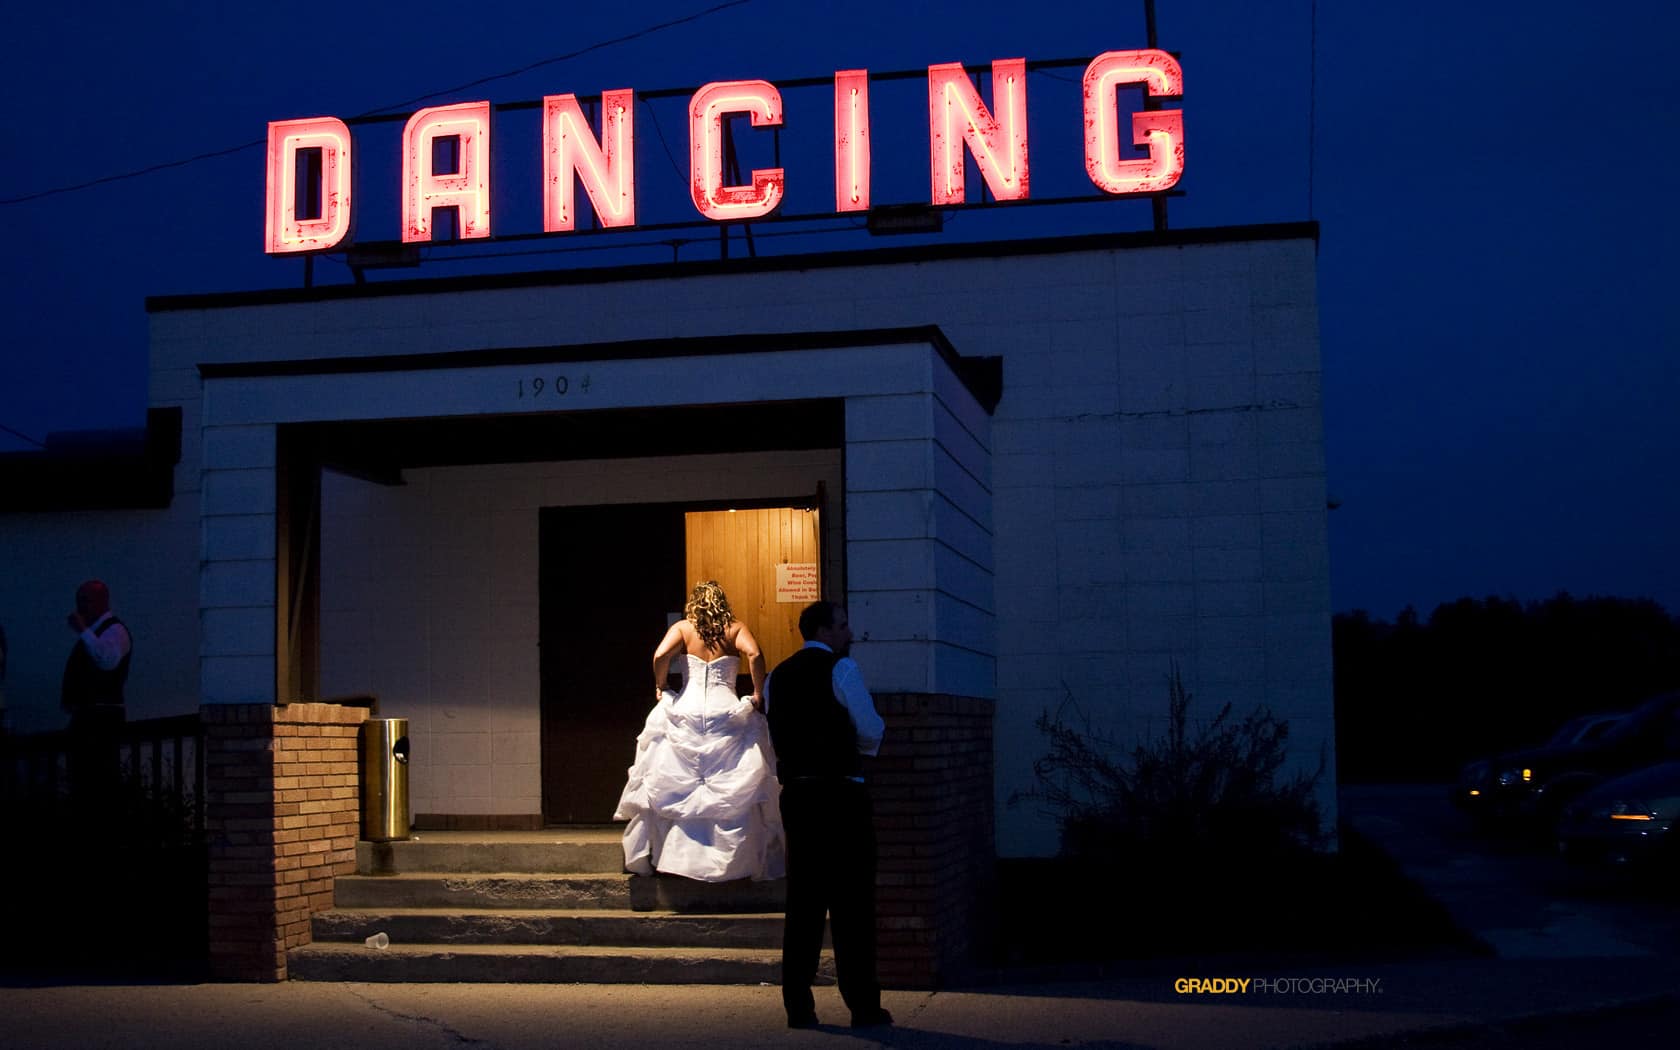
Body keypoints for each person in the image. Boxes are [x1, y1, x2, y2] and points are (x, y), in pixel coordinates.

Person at [763, 600, 890, 1030]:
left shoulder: (775, 678)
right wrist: (854, 748)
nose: (849, 632)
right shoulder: (841, 670)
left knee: (803, 905)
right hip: (841, 796)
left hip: (797, 795)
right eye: (842, 626)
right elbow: (871, 729)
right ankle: (863, 1006)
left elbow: (771, 736)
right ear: (825, 631)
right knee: (852, 904)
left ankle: (798, 1006)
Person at [613, 580, 785, 882]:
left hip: (688, 707)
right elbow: (755, 655)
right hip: (725, 709)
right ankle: (733, 863)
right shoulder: (735, 628)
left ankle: (674, 858)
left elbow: (660, 656)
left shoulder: (683, 628)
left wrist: (661, 685)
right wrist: (758, 693)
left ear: (694, 602)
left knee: (676, 781)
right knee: (735, 783)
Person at [61, 579, 133, 798]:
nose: (80, 608)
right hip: (89, 718)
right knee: (83, 781)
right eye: (79, 602)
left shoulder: (116, 630)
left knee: (97, 782)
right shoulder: (96, 633)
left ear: (102, 601)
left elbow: (107, 660)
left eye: (85, 601)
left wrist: (83, 631)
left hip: (101, 719)